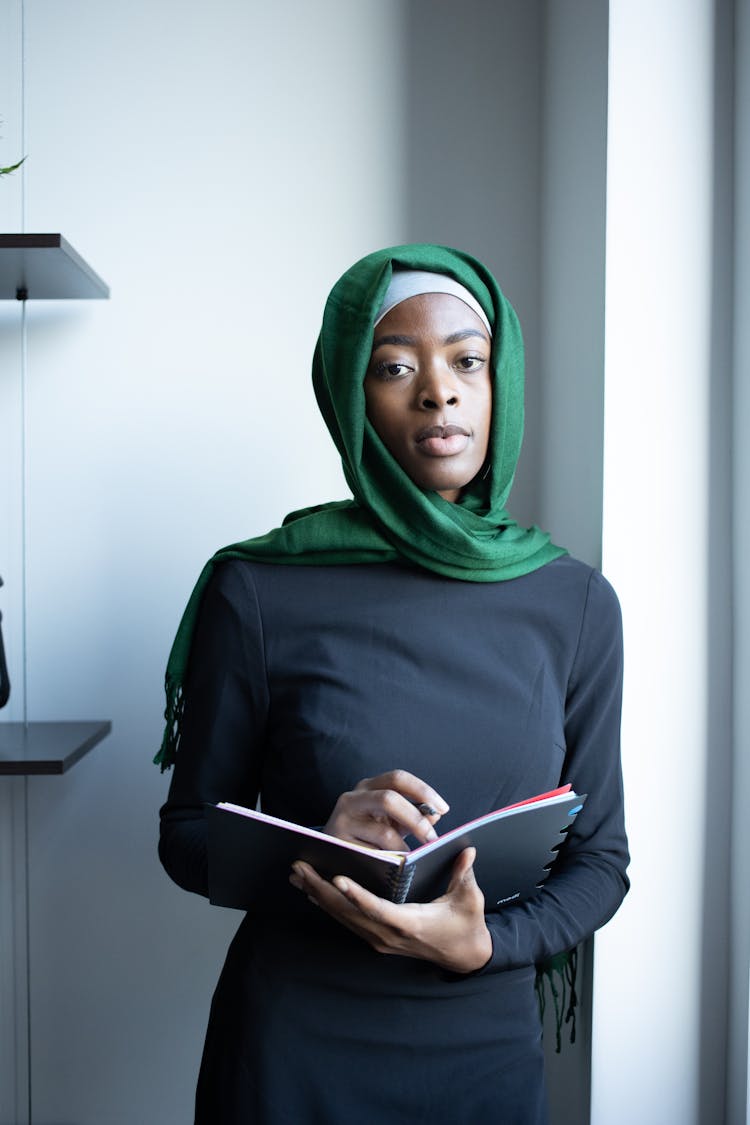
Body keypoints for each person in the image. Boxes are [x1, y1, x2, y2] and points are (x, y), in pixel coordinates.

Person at [157, 243, 629, 1125]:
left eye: (466, 361)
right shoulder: (258, 588)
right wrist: (312, 843)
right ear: (349, 395)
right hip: (293, 1051)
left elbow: (600, 861)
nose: (438, 391)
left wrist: (488, 942)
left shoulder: (575, 603)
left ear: (500, 386)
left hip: (483, 1053)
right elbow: (187, 836)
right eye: (395, 366)